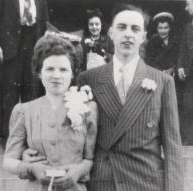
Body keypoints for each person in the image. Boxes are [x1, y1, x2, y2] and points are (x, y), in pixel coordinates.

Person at [78, 4, 183, 191]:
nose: (128, 34)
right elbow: (76, 139)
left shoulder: (163, 82)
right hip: (104, 182)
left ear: (143, 37)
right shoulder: (89, 79)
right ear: (110, 32)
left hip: (146, 182)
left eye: (135, 29)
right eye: (121, 27)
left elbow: (173, 148)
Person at [3, 35, 98, 191]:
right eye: (49, 69)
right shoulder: (24, 111)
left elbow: (90, 158)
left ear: (72, 73)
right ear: (39, 72)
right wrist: (30, 169)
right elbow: (8, 160)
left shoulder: (88, 109)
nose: (56, 75)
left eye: (63, 69)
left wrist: (77, 172)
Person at [0, 0, 49, 139]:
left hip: (33, 49)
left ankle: (30, 138)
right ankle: (9, 140)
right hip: (11, 49)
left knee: (32, 95)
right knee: (9, 97)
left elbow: (45, 24)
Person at [177, 0, 193, 145]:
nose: (186, 8)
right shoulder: (188, 27)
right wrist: (180, 66)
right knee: (188, 107)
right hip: (189, 80)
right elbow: (182, 49)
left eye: (188, 4)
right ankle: (188, 143)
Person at [146, 12, 179, 76]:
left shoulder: (175, 41)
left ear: (170, 28)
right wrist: (162, 71)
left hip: (173, 75)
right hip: (157, 75)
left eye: (166, 28)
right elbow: (149, 61)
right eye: (160, 28)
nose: (163, 31)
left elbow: (179, 59)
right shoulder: (153, 41)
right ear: (156, 29)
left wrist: (172, 69)